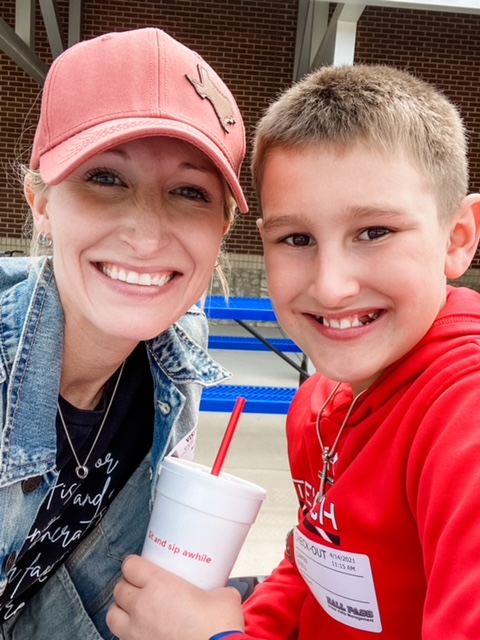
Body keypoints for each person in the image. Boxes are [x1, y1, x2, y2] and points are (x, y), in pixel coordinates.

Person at [107, 63, 480, 639]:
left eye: (374, 232)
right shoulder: (317, 403)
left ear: (458, 237)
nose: (331, 286)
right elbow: (316, 570)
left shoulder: (464, 417)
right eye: (297, 239)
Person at [0, 26, 248, 640]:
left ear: (223, 230)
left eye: (190, 191)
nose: (146, 234)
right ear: (41, 202)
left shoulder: (176, 349)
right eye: (106, 178)